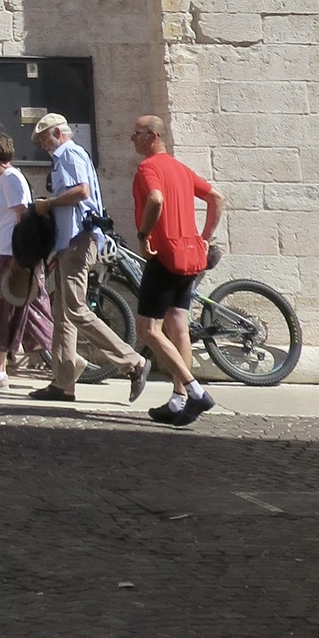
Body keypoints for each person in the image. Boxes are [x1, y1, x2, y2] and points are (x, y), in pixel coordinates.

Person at [31, 110, 149, 406]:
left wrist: (49, 204)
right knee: (63, 313)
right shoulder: (67, 156)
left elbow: (82, 192)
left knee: (75, 310)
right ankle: (63, 383)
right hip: (69, 242)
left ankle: (132, 361)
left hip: (77, 240)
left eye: (44, 139)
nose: (42, 145)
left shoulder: (69, 154)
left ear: (58, 134)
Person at [131, 113, 224, 426]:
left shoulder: (149, 167)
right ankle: (178, 399)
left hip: (164, 256)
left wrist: (144, 235)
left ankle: (195, 391)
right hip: (189, 257)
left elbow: (155, 199)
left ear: (153, 136)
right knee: (178, 325)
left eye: (137, 133)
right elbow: (216, 197)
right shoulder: (181, 169)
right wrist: (205, 238)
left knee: (148, 330)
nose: (132, 139)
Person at [0, 132, 53, 390]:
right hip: (6, 254)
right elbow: (4, 226)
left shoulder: (11, 179)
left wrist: (22, 255)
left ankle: (0, 372)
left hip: (15, 256)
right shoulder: (1, 181)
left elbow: (23, 218)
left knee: (10, 311)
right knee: (16, 312)